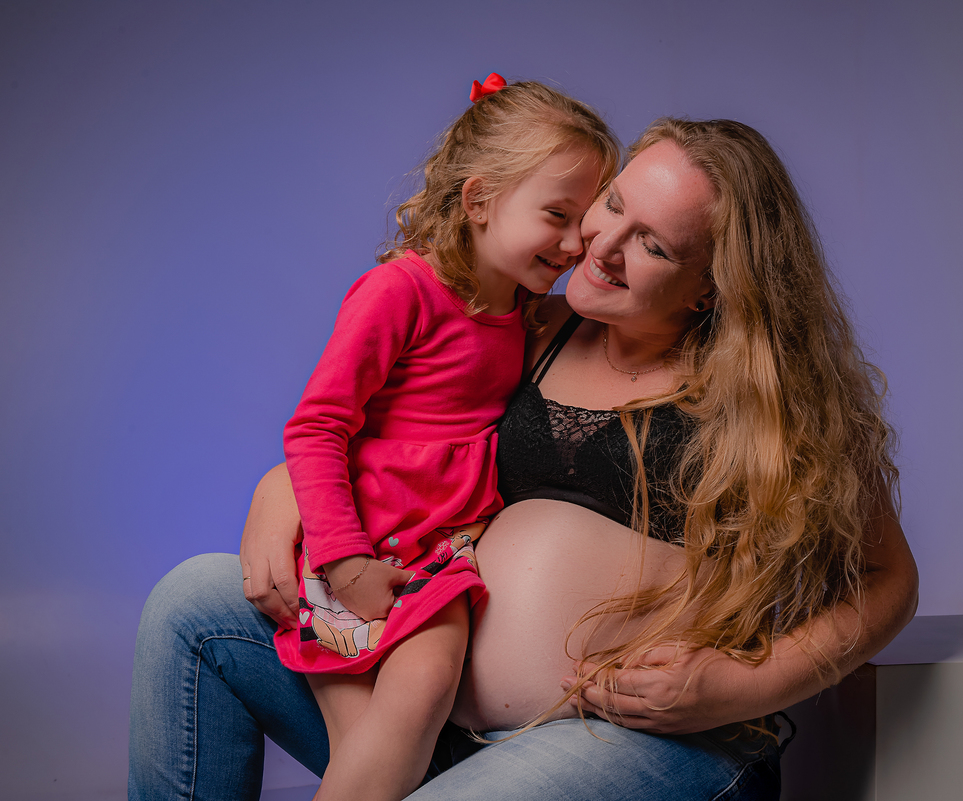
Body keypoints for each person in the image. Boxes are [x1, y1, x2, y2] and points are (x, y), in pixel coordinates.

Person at [128, 116, 919, 801]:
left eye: (651, 243)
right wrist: (282, 486)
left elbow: (889, 580)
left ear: (710, 286)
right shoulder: (527, 327)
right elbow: (395, 443)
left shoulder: (773, 401)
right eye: (614, 204)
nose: (603, 246)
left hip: (640, 739)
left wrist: (740, 686)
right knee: (191, 606)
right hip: (428, 711)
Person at [268, 75, 619, 801]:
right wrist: (345, 562)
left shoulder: (525, 312)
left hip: (444, 550)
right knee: (368, 747)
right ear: (479, 199)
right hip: (363, 542)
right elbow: (317, 425)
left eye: (582, 226)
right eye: (556, 216)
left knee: (415, 703)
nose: (571, 245)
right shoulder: (399, 291)